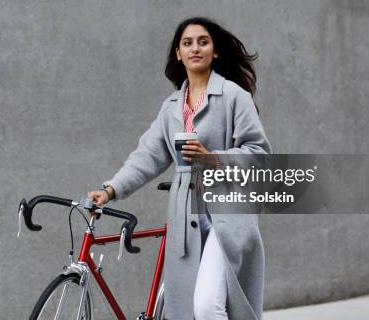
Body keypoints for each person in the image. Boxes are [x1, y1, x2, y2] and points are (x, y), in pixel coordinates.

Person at [87, 17, 272, 320]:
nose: (195, 48)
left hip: (229, 211)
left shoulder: (233, 96)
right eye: (187, 43)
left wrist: (212, 158)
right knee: (188, 309)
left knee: (207, 305)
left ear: (215, 52)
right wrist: (110, 190)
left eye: (203, 42)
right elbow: (147, 156)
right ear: (178, 53)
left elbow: (260, 154)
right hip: (186, 214)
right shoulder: (172, 107)